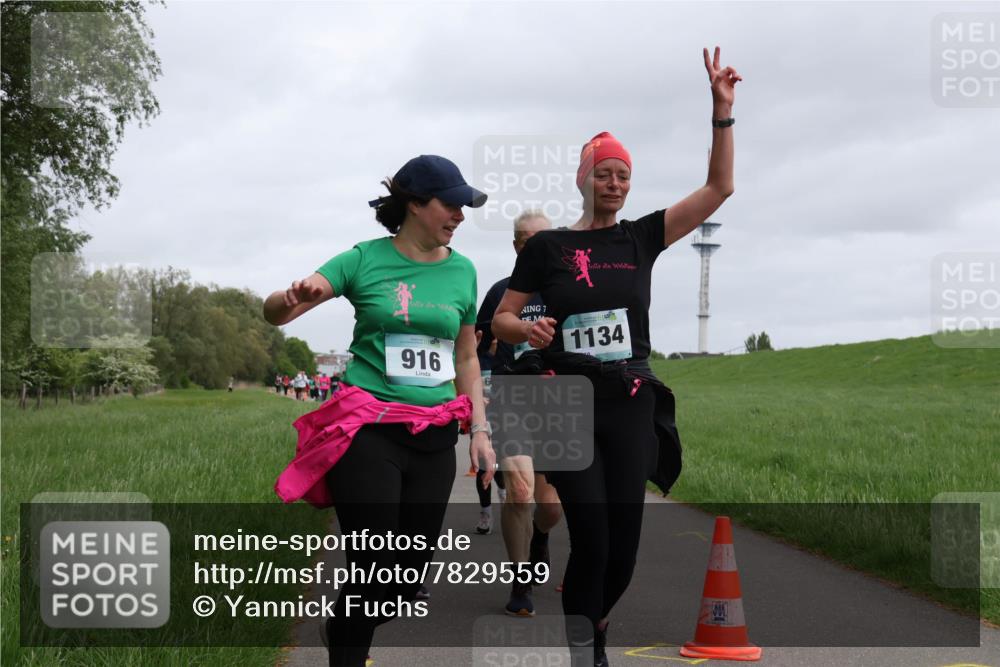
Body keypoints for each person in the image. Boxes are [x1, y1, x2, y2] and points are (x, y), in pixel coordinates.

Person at [493, 47, 740, 666]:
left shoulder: (641, 237)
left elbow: (719, 188)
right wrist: (529, 333)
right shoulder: (547, 247)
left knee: (625, 546)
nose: (614, 183)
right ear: (584, 178)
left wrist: (721, 111)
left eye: (623, 175)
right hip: (563, 400)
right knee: (594, 536)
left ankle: (596, 625)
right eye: (604, 173)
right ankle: (586, 651)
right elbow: (501, 318)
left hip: (629, 399)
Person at [266, 154, 495, 667]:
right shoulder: (363, 259)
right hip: (368, 431)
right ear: (415, 204)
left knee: (405, 579)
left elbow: (465, 356)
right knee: (372, 567)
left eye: (465, 205)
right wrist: (289, 297)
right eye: (452, 203)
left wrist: (479, 429)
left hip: (435, 436)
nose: (460, 214)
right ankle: (348, 655)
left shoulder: (463, 270)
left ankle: (343, 626)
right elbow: (280, 312)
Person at [476, 210, 563, 617]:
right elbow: (474, 353)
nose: (535, 247)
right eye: (527, 240)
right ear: (516, 245)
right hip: (513, 398)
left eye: (544, 239)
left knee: (549, 508)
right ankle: (520, 578)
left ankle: (540, 538)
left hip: (561, 402)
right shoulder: (499, 294)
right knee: (520, 493)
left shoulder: (566, 291)